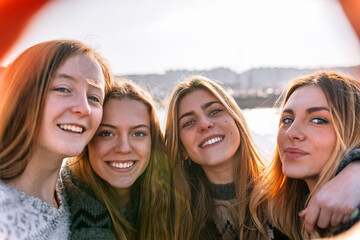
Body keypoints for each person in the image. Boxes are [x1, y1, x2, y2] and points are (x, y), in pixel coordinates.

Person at [164, 75, 360, 240]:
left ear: (238, 122)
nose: (204, 124)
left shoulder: (281, 202)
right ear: (180, 146)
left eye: (215, 111)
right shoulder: (165, 214)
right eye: (287, 120)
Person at [0, 39, 112, 240]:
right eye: (63, 89)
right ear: (21, 96)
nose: (84, 108)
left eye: (94, 98)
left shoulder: (79, 197)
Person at [253, 72, 360, 239]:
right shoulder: (277, 213)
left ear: (353, 131)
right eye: (287, 120)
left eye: (317, 120)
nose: (291, 132)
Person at [61, 80, 173, 240]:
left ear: (152, 143)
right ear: (87, 141)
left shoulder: (172, 201)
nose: (124, 148)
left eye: (138, 133)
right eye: (107, 133)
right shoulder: (59, 206)